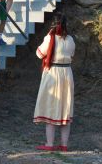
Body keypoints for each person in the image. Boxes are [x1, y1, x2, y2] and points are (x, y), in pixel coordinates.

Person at [33, 14, 75, 152]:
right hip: (67, 73)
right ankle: (64, 145)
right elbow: (72, 54)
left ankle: (50, 144)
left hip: (53, 73)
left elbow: (39, 53)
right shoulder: (70, 39)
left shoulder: (49, 38)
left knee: (50, 107)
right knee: (65, 110)